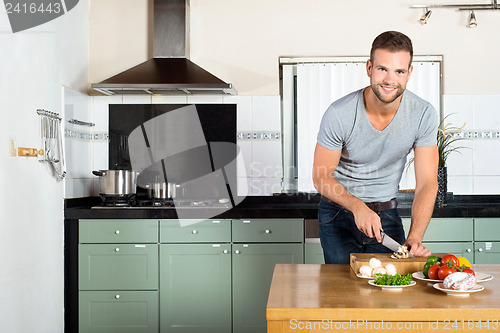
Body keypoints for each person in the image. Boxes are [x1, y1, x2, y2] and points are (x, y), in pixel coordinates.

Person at [312, 31, 438, 264]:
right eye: (382, 69)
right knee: (343, 294)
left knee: (390, 293)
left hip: (386, 214)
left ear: (409, 73)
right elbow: (321, 177)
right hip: (338, 213)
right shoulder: (339, 113)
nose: (390, 79)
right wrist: (357, 207)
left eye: (399, 71)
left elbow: (428, 183)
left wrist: (415, 237)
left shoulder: (423, 114)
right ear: (369, 68)